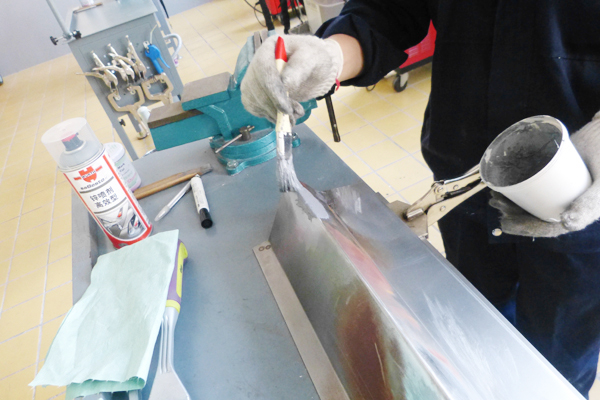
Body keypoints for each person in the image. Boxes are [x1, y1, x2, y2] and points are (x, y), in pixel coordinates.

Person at [240, 1, 600, 397]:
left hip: (579, 196)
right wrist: (329, 55)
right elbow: (389, 12)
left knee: (557, 371)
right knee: (475, 338)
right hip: (464, 188)